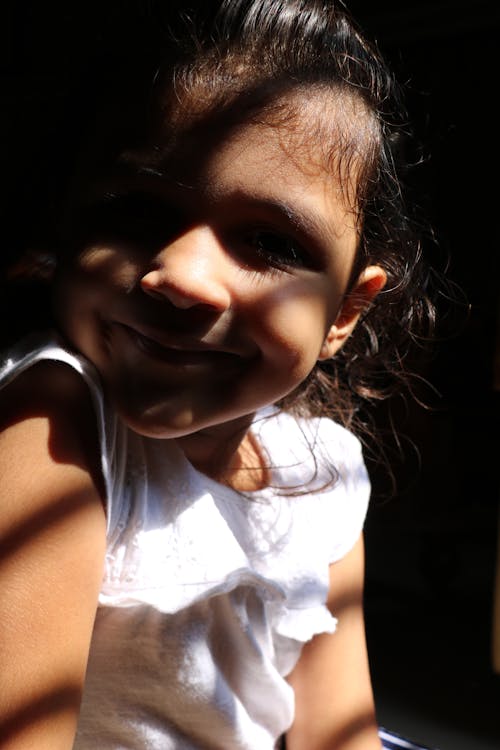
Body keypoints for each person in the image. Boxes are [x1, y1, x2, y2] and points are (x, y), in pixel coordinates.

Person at [0, 1, 439, 748]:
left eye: (269, 241)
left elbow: (341, 732)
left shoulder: (323, 470)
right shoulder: (53, 412)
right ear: (66, 223)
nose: (185, 276)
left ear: (344, 313)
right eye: (136, 212)